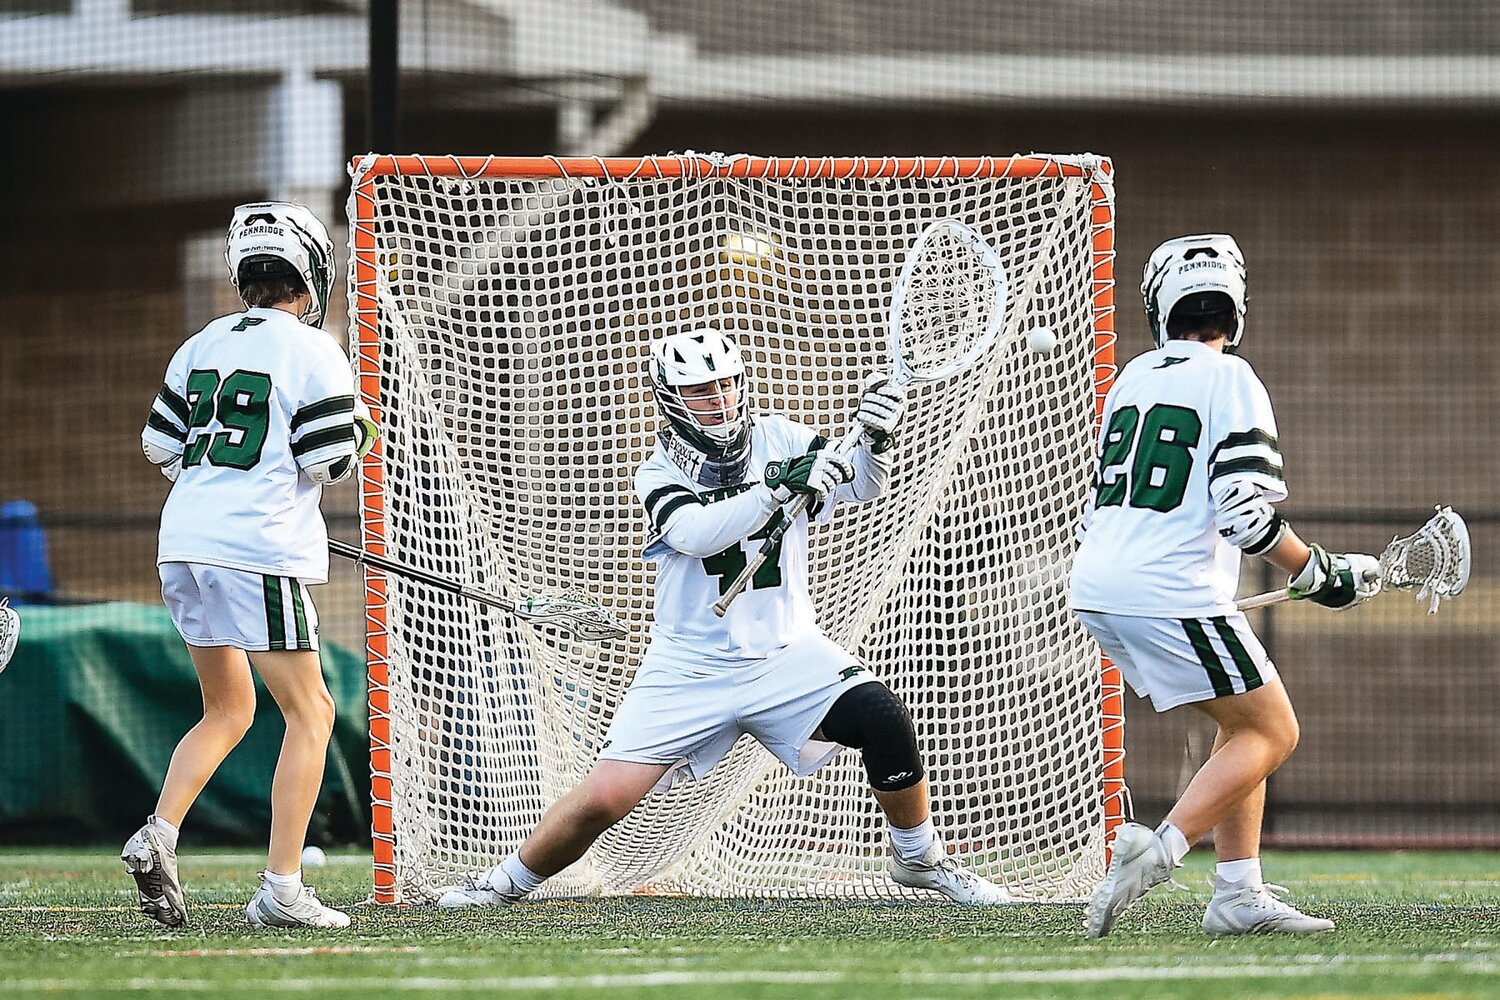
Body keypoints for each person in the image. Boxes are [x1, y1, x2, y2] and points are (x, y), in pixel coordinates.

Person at [437, 325, 1010, 908]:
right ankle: (502, 884)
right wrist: (774, 490)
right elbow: (691, 532)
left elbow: (862, 486)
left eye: (729, 384)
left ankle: (920, 859)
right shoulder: (659, 470)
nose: (722, 399)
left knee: (882, 717)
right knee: (604, 801)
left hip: (787, 653)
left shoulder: (781, 436)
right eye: (703, 391)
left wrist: (875, 443)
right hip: (689, 667)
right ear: (669, 399)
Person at [1072, 234, 1381, 937]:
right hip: (1166, 589)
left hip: (1098, 582)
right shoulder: (1231, 378)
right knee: (1274, 729)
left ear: (1161, 304)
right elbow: (1244, 515)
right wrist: (1317, 571)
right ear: (1236, 305)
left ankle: (1238, 894)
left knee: (1243, 723)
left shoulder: (1134, 376)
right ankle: (1160, 851)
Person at [124, 201, 376, 930]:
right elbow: (330, 460)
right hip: (254, 550)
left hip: (184, 545)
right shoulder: (315, 348)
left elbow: (159, 448)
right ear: (311, 275)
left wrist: (229, 490)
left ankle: (158, 834)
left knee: (230, 708)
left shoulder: (199, 343)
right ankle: (282, 887)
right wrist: (360, 424)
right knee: (313, 709)